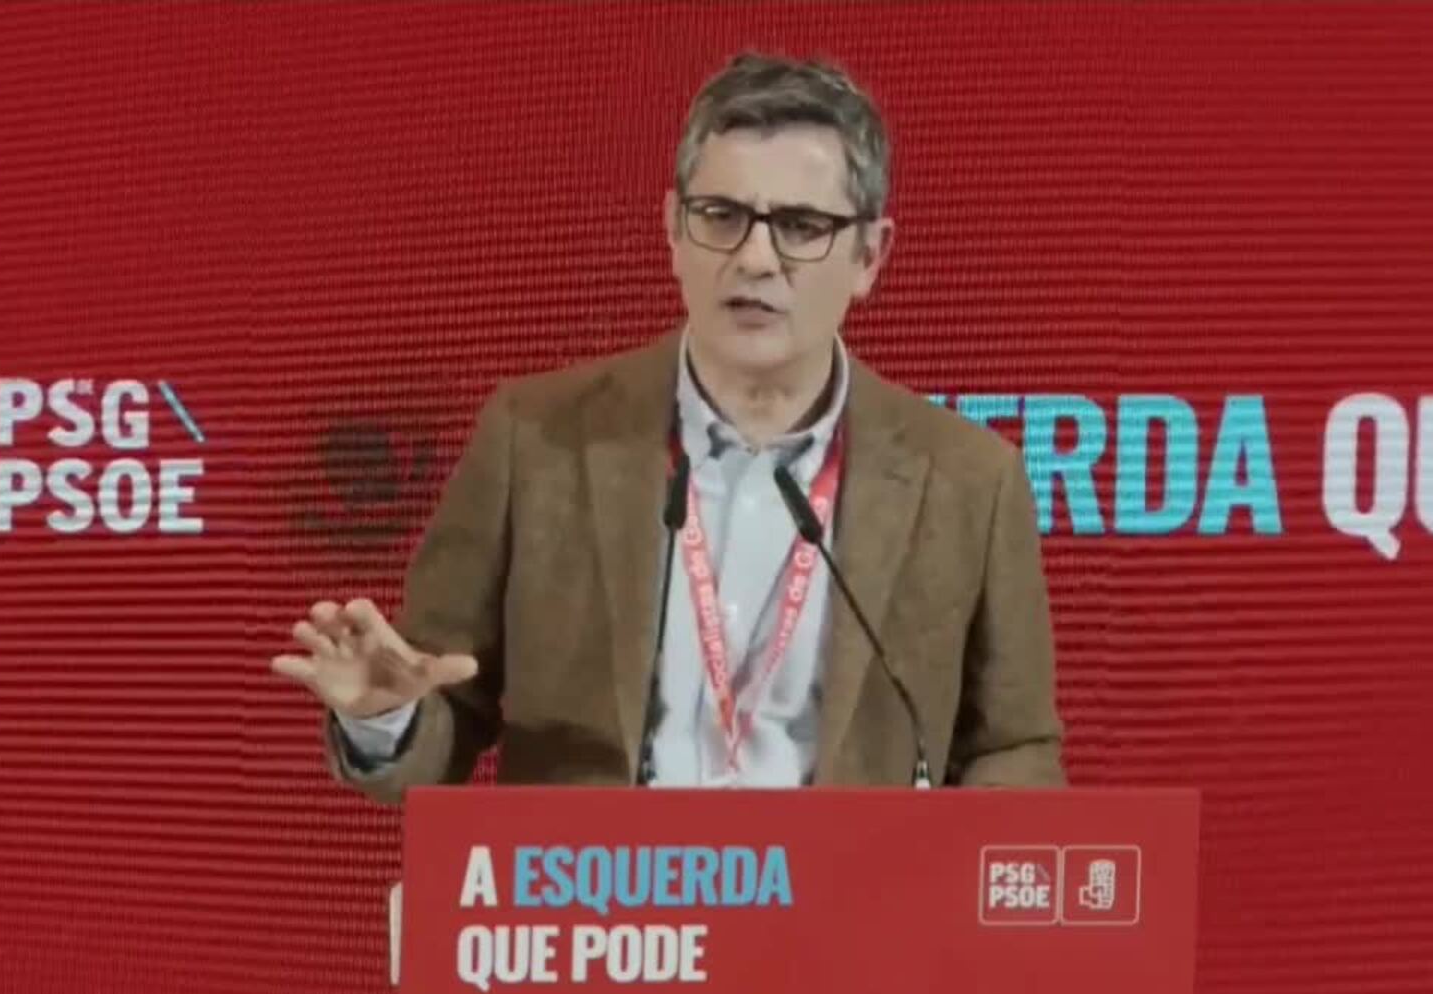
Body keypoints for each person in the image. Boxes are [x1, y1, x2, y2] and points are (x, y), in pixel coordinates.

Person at [270, 52, 1064, 797]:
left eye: (800, 226)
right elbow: (448, 703)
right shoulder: (535, 439)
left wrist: (948, 879)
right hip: (600, 896)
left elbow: (1014, 746)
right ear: (674, 231)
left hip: (847, 896)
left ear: (870, 256)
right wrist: (388, 716)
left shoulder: (969, 478)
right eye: (721, 215)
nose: (756, 259)